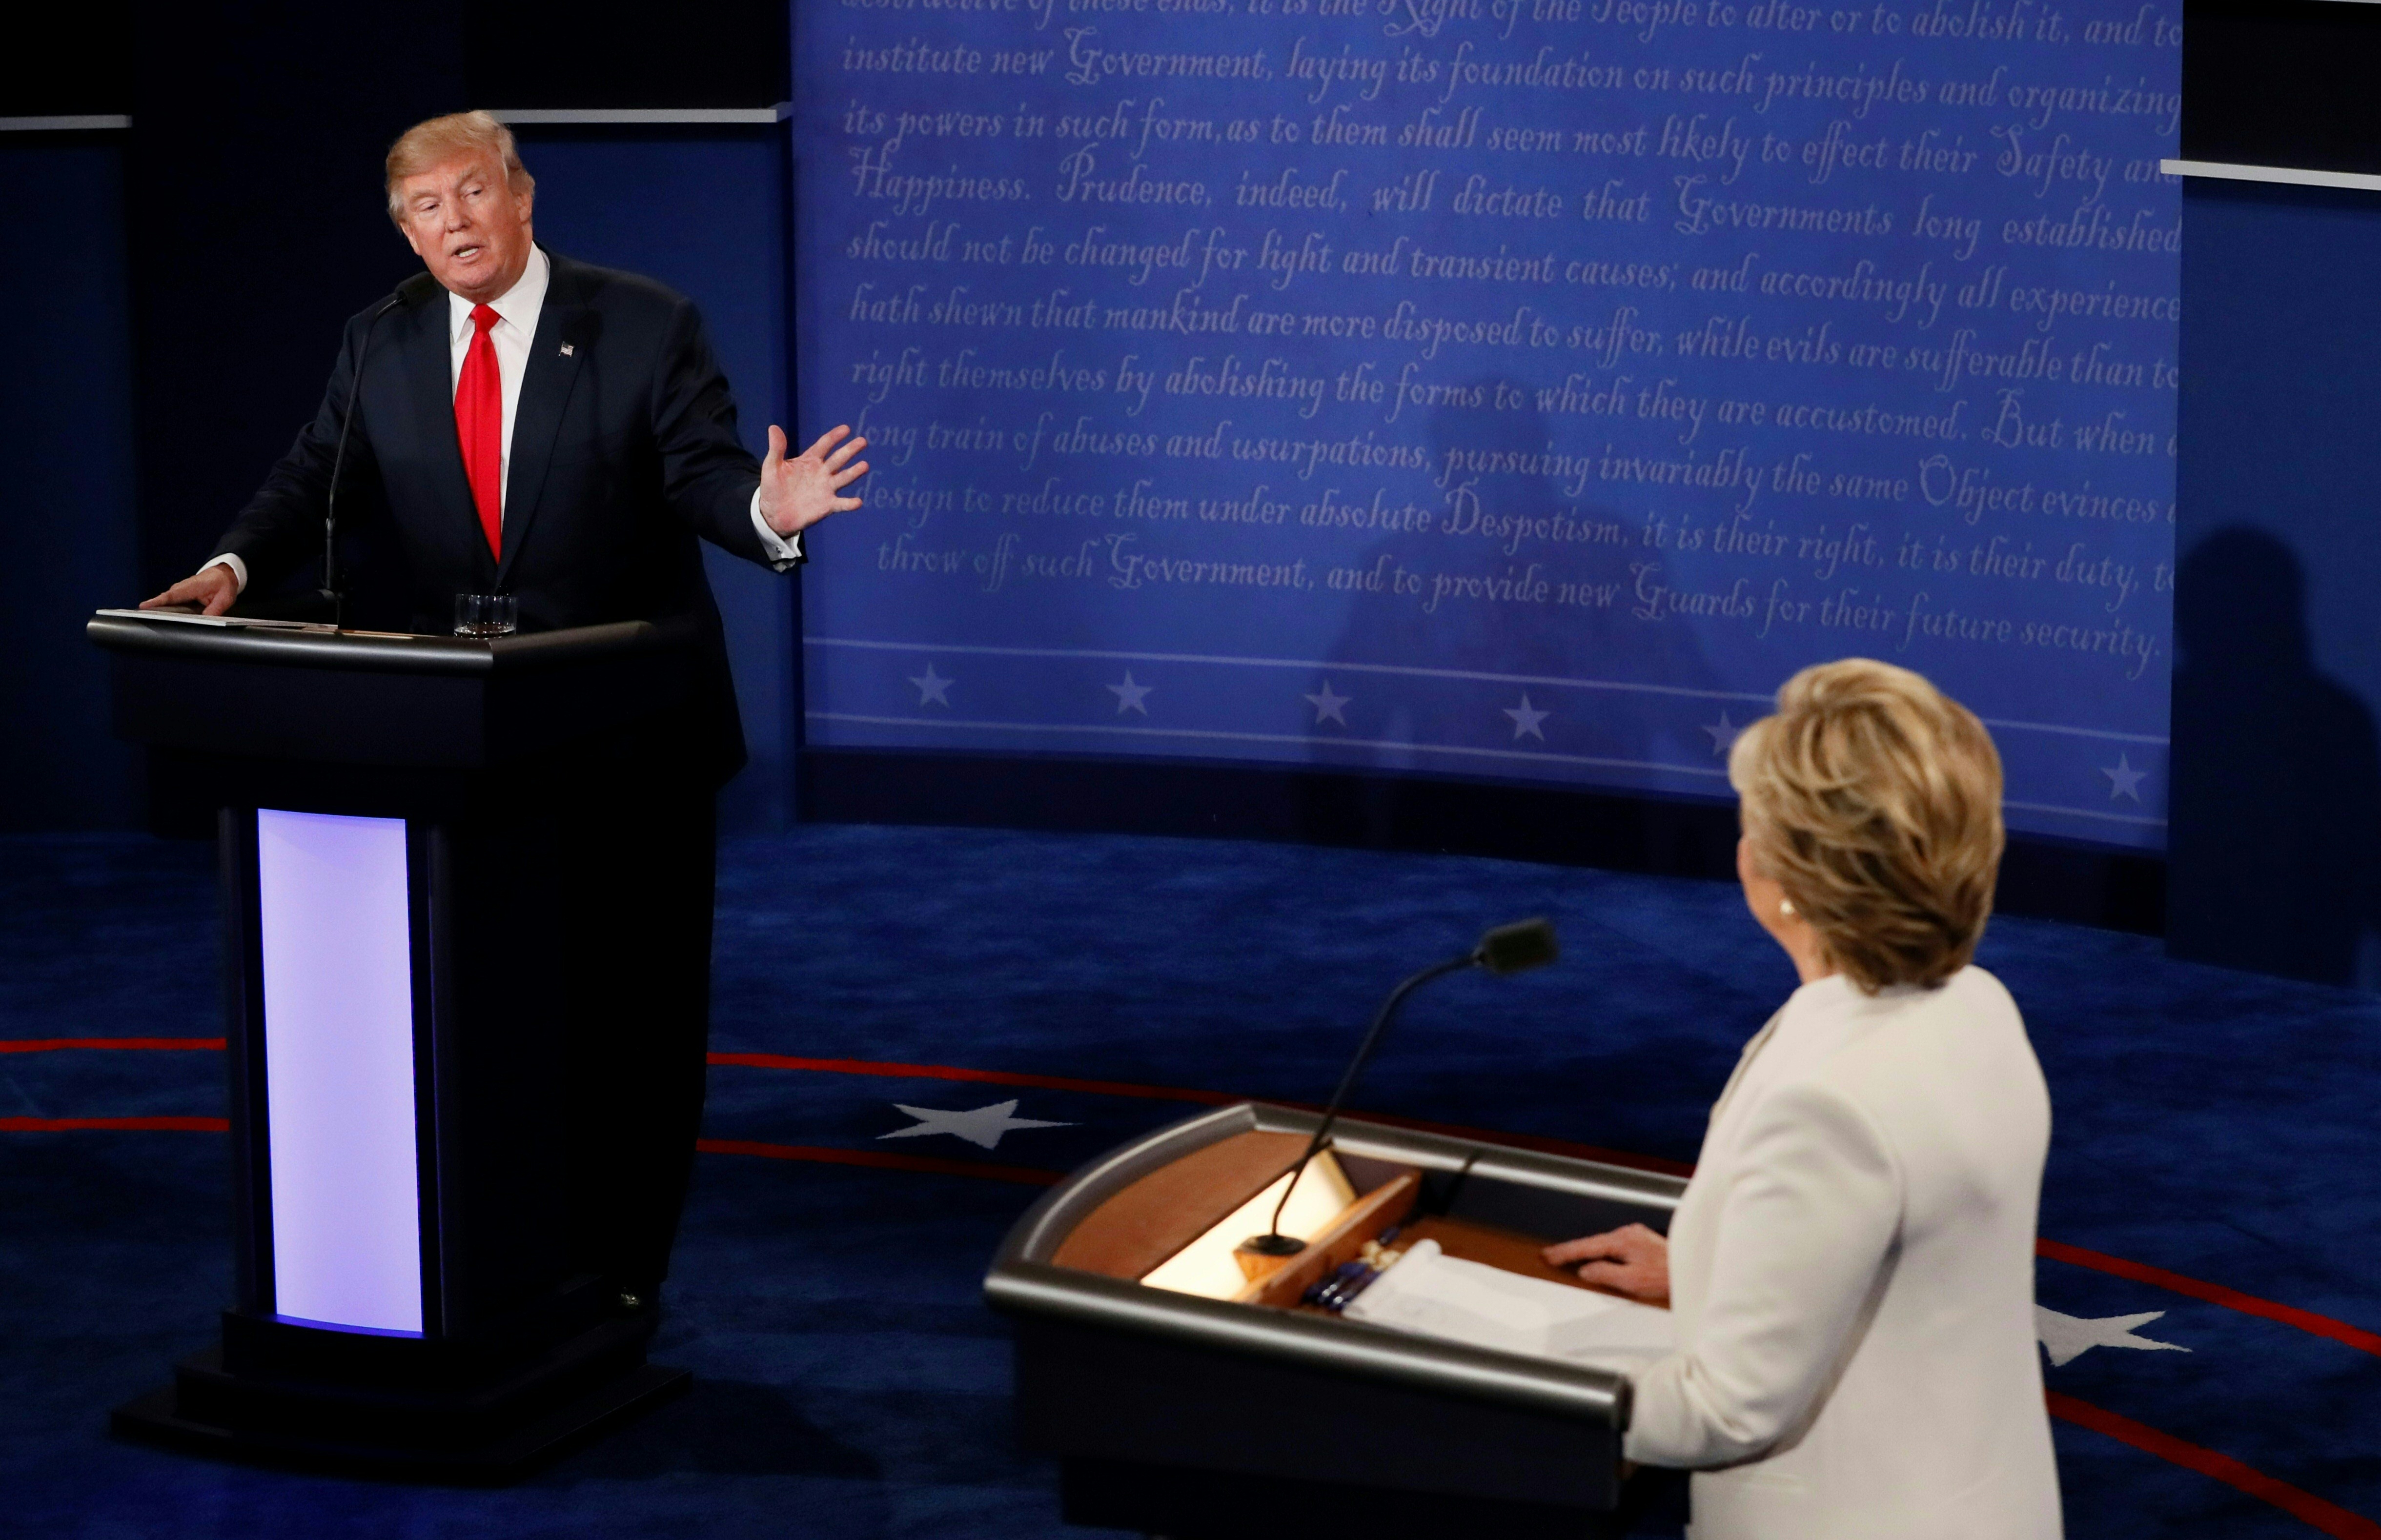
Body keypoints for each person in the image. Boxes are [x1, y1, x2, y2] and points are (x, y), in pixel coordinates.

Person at [141, 110, 869, 1312]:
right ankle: (510, 1250)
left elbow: (700, 471)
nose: (453, 223)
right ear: (408, 236)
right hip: (463, 746)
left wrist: (766, 514)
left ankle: (625, 1270)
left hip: (628, 734)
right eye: (425, 210)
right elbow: (313, 477)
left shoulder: (639, 321)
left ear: (521, 197)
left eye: (470, 194)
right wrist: (230, 570)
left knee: (633, 1015)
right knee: (501, 1015)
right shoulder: (380, 343)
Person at [1544, 658, 2060, 1539]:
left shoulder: (1829, 1102)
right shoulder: (1981, 1006)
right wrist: (1713, 1278)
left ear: (1777, 875)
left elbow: (1729, 1414)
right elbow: (1912, 1252)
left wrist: (1497, 1375)